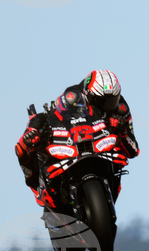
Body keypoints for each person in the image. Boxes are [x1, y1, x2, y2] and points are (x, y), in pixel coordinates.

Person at [15, 70, 140, 198]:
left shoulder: (121, 108)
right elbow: (49, 115)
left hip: (105, 148)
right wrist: (35, 131)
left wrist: (122, 130)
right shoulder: (74, 94)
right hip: (77, 142)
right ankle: (35, 183)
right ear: (87, 94)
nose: (106, 107)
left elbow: (134, 149)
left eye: (111, 101)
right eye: (99, 102)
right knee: (24, 146)